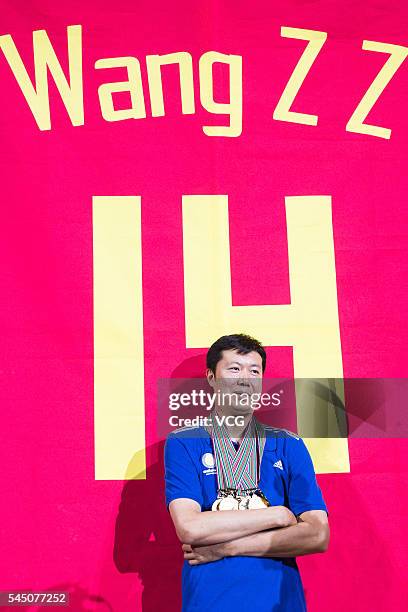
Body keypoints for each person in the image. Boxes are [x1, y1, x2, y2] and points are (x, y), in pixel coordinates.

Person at [164, 333, 329, 611]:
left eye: (255, 371)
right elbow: (190, 527)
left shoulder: (288, 444)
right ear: (212, 378)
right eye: (234, 369)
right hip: (210, 600)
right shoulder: (183, 442)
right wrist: (277, 515)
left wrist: (226, 548)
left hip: (279, 601)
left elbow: (317, 535)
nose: (245, 379)